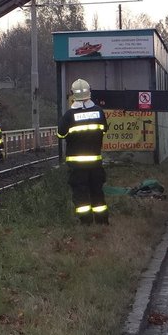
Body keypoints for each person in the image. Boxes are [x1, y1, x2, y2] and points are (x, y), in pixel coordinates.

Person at [57, 78, 109, 225]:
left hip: (77, 164)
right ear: (89, 92)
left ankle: (86, 222)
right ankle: (102, 222)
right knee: (97, 191)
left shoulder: (69, 115)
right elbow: (104, 130)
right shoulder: (99, 112)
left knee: (80, 193)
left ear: (73, 94)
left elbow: (61, 134)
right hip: (95, 162)